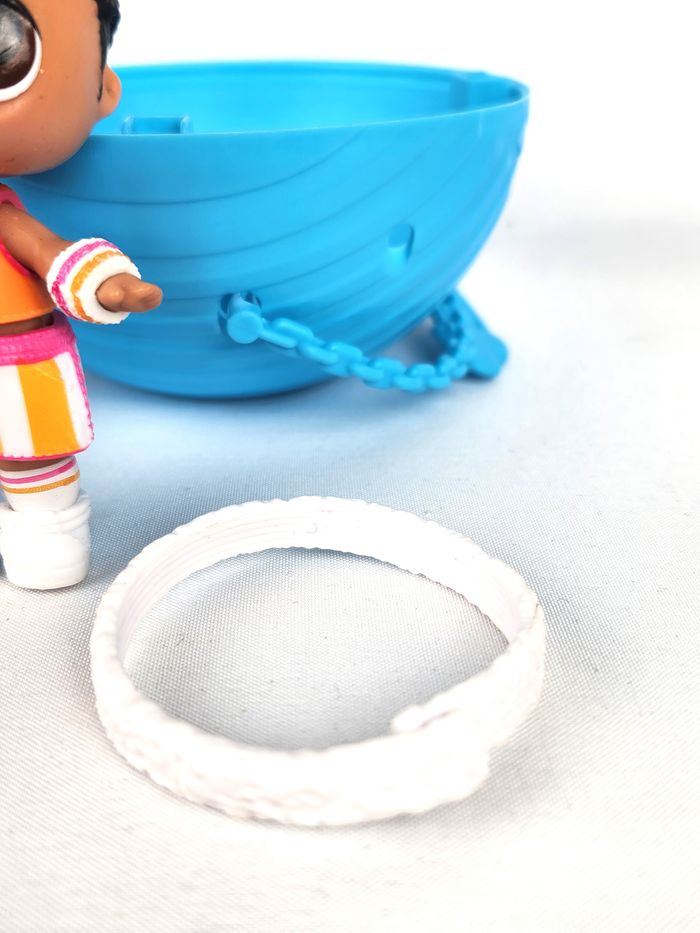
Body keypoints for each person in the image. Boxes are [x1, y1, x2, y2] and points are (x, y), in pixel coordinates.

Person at [0, 0, 161, 589]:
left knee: (33, 463)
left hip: (12, 367)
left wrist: (104, 284)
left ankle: (46, 530)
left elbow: (48, 251)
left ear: (102, 89)